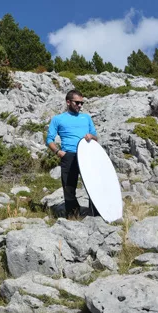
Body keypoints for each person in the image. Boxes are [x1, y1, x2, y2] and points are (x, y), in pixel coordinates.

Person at [46, 89, 99, 218]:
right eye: (77, 103)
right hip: (69, 155)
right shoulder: (58, 119)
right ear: (68, 102)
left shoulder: (86, 117)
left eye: (82, 103)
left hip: (87, 155)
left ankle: (96, 214)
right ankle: (73, 215)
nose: (80, 106)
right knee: (69, 187)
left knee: (93, 185)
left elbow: (96, 137)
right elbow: (49, 139)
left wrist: (91, 136)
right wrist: (58, 152)